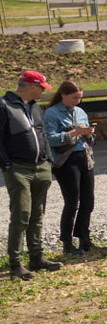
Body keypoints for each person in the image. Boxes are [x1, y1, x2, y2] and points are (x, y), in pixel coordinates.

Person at [2, 70, 59, 280]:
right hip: (18, 168)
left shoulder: (35, 107)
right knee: (21, 215)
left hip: (41, 167)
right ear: (31, 86)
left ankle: (36, 257)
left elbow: (42, 134)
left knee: (37, 214)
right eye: (42, 87)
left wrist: (48, 159)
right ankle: (16, 264)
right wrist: (5, 164)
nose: (44, 91)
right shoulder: (4, 106)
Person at [43, 81, 99, 257]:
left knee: (88, 201)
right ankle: (67, 243)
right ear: (63, 95)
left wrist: (89, 134)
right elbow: (50, 139)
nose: (77, 101)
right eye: (74, 97)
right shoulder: (51, 113)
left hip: (84, 157)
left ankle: (84, 238)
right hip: (66, 161)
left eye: (79, 98)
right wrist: (73, 133)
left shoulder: (80, 112)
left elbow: (90, 140)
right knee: (72, 202)